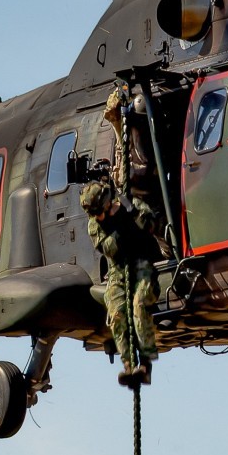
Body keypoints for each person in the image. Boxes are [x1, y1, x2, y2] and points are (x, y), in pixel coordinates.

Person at [81, 83, 162, 387]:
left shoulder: (125, 204)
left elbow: (150, 222)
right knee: (116, 315)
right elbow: (112, 249)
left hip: (141, 266)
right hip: (118, 272)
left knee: (139, 307)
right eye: (98, 214)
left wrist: (132, 216)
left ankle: (147, 364)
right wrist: (119, 226)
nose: (101, 216)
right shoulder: (97, 226)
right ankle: (129, 365)